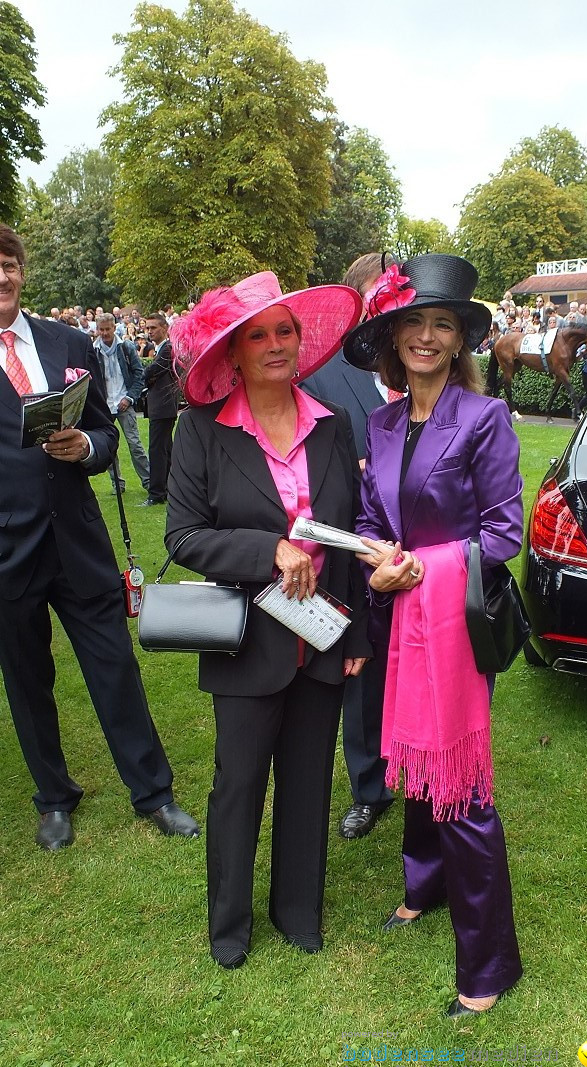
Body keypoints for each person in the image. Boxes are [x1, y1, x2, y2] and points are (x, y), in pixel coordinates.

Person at [166, 270, 369, 969]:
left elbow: (347, 536)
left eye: (285, 330)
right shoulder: (201, 431)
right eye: (260, 335)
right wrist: (269, 550)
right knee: (240, 783)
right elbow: (183, 536)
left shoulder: (333, 426)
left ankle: (297, 912)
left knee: (310, 781)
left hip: (322, 635)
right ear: (235, 352)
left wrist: (356, 635)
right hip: (248, 638)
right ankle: (229, 925)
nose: (278, 344)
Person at [343, 253, 523, 1018]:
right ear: (392, 338)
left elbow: (503, 531)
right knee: (408, 758)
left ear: (459, 341)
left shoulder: (484, 420)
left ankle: (490, 966)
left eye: (441, 324)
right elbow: (366, 521)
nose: (425, 335)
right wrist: (373, 558)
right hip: (395, 619)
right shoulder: (381, 424)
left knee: (461, 786)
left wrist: (422, 568)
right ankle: (425, 884)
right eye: (413, 322)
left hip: (452, 623)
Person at [0, 225, 198, 851]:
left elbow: (107, 435)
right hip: (8, 553)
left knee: (115, 669)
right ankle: (53, 798)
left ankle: (154, 793)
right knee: (28, 682)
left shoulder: (68, 341)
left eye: (8, 263)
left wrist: (87, 446)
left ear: (22, 272)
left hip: (79, 541)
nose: (2, 276)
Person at [301, 253, 396, 841]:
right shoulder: (324, 376)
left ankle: (431, 768)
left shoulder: (426, 364)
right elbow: (304, 472)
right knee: (362, 674)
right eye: (380, 297)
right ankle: (370, 786)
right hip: (356, 555)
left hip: (425, 556)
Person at [94, 312, 151, 495]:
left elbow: (138, 374)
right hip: (105, 406)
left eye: (107, 329)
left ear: (114, 327)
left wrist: (129, 398)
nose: (104, 333)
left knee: (135, 445)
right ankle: (117, 484)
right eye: (101, 330)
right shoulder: (94, 350)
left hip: (124, 402)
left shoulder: (125, 347)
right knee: (109, 447)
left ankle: (148, 481)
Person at [141, 312, 180, 506]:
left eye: (153, 328)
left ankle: (156, 494)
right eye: (147, 328)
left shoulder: (167, 348)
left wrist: (148, 376)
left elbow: (151, 371)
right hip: (163, 406)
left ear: (164, 328)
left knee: (157, 450)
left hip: (163, 407)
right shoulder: (161, 348)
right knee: (166, 450)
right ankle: (169, 489)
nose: (149, 332)